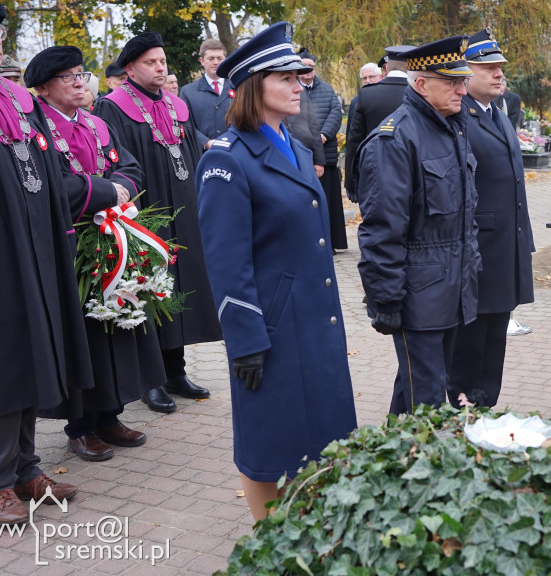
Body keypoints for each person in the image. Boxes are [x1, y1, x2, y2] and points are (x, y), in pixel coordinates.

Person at [196, 22, 357, 521]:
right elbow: (226, 261)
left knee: (323, 436)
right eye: (285, 77)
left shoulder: (298, 147)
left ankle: (312, 525)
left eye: (300, 76)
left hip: (315, 320)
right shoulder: (227, 160)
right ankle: (271, 539)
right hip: (270, 328)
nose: (298, 84)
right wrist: (245, 340)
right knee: (270, 445)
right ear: (252, 87)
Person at [0, 0, 91, 524]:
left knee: (36, 354)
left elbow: (52, 170)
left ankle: (26, 468)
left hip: (37, 251)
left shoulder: (17, 98)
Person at [24, 45, 161, 463]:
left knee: (115, 325)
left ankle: (110, 414)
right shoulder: (36, 130)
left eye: (81, 74)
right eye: (68, 77)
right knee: (83, 333)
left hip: (113, 237)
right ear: (43, 89)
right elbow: (49, 186)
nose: (80, 82)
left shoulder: (98, 124)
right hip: (69, 243)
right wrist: (105, 191)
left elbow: (132, 168)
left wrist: (119, 188)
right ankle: (80, 427)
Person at [94, 31, 222, 414]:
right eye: (151, 62)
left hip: (183, 210)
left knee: (180, 288)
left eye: (163, 61)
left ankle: (176, 372)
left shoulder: (176, 104)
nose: (160, 67)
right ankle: (150, 381)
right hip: (145, 212)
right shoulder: (113, 107)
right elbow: (112, 163)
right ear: (130, 69)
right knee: (149, 289)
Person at [356, 35, 480, 415]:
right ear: (421, 84)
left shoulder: (451, 127)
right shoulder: (395, 139)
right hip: (418, 296)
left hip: (453, 289)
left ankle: (387, 464)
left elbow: (464, 215)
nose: (463, 89)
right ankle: (414, 468)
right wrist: (386, 298)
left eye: (462, 80)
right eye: (452, 82)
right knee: (424, 398)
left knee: (417, 387)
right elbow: (382, 228)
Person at [446, 28, 534, 408]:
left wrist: (524, 240)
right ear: (466, 73)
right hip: (478, 248)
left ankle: (484, 405)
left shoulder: (498, 114)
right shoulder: (459, 118)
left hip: (504, 247)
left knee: (495, 333)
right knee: (471, 337)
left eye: (500, 68)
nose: (499, 74)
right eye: (489, 68)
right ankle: (463, 404)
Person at [343, 45, 413, 202]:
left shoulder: (367, 94)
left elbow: (354, 141)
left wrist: (351, 183)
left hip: (374, 175)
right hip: (412, 174)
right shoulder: (422, 94)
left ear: (386, 67)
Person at [296, 52, 346, 252]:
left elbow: (336, 112)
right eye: (304, 66)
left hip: (325, 153)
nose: (308, 70)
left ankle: (330, 243)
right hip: (301, 150)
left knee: (327, 199)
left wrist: (322, 135)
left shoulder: (327, 89)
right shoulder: (293, 89)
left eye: (311, 66)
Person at [179, 38, 233, 148]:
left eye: (219, 58)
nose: (216, 62)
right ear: (202, 61)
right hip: (204, 156)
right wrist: (206, 143)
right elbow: (185, 125)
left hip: (237, 152)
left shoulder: (239, 87)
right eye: (211, 58)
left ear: (225, 60)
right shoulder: (188, 92)